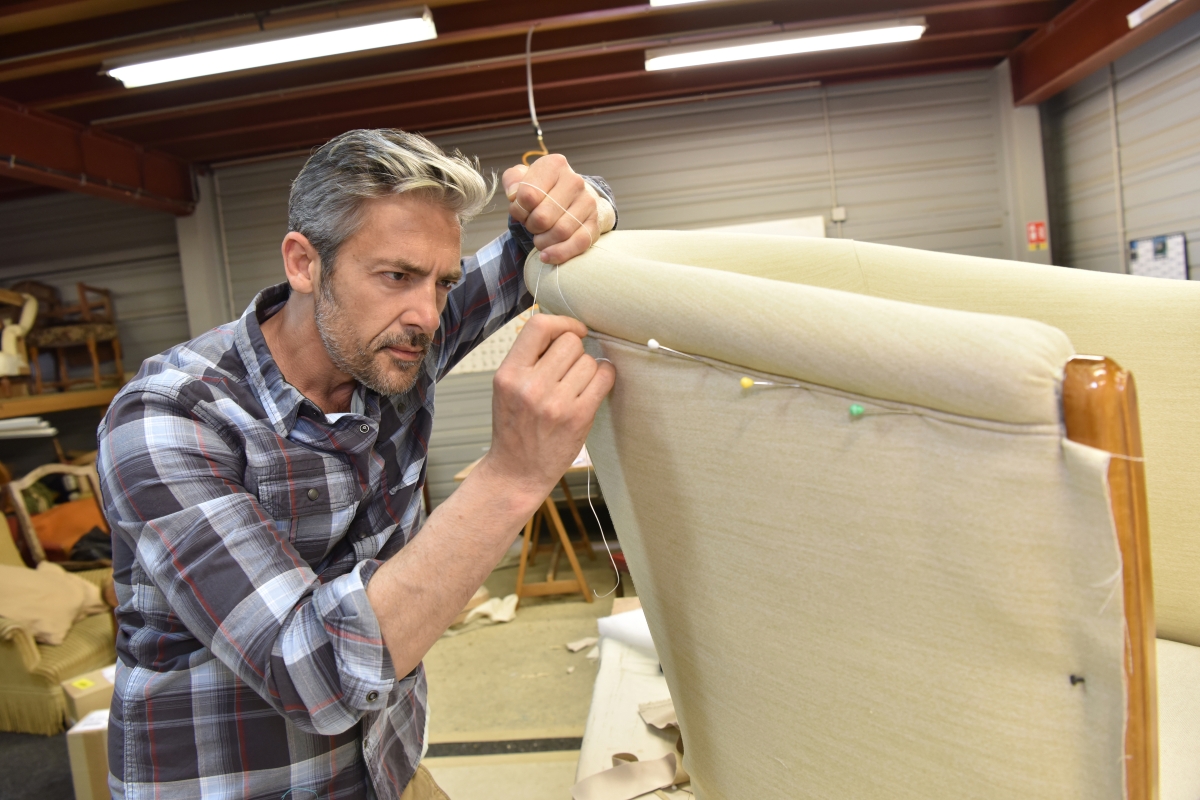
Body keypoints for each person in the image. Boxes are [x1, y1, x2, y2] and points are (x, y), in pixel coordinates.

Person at [96, 129, 618, 800]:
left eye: (443, 282)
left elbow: (561, 226)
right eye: (396, 275)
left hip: (388, 774)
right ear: (304, 264)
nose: (428, 316)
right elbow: (314, 676)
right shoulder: (170, 420)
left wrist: (578, 204)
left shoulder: (395, 338)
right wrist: (511, 478)